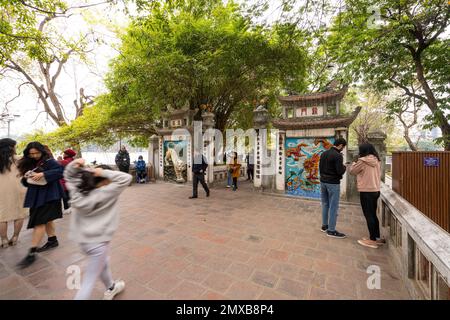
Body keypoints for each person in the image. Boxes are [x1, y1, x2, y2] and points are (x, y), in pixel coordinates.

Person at [64, 159, 132, 300]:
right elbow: (126, 177)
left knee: (103, 263)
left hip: (83, 241)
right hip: (98, 243)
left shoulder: (79, 190)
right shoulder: (108, 192)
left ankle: (111, 287)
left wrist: (74, 165)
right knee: (88, 282)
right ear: (106, 179)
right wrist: (104, 171)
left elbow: (68, 176)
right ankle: (109, 288)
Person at [16, 142, 64, 268]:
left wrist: (43, 174)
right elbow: (26, 183)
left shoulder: (49, 161)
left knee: (39, 222)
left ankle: (31, 253)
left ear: (42, 151)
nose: (35, 155)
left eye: (37, 153)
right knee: (46, 220)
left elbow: (60, 171)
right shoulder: (30, 163)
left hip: (49, 196)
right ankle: (52, 240)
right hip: (37, 196)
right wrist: (26, 178)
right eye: (31, 154)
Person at [349, 143, 385, 249]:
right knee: (373, 214)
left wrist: (353, 164)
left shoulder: (363, 161)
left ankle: (372, 240)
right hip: (375, 190)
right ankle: (377, 237)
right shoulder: (377, 160)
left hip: (366, 191)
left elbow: (352, 171)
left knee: (368, 215)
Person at [318, 137, 348, 239]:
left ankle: (324, 225)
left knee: (325, 204)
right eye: (343, 147)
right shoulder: (338, 156)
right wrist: (345, 167)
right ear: (340, 145)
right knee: (333, 207)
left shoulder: (324, 153)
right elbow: (340, 171)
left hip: (323, 182)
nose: (342, 149)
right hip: (333, 183)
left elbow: (320, 168)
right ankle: (331, 230)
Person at [0, 138, 27, 248]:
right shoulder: (20, 159)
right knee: (19, 213)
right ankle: (15, 237)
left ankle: (4, 240)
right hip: (19, 188)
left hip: (1, 190)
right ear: (11, 147)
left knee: (2, 216)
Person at [58, 149, 77, 213]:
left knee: (65, 196)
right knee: (70, 195)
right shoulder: (73, 161)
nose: (63, 154)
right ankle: (72, 208)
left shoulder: (64, 162)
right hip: (72, 181)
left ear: (67, 154)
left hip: (64, 181)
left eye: (64, 153)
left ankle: (67, 208)